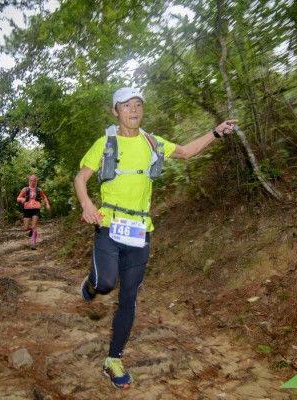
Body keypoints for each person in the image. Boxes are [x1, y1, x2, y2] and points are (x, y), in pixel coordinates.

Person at [73, 87, 238, 389]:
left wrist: (215, 133)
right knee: (106, 283)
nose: (133, 110)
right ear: (115, 111)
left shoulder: (152, 143)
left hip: (139, 231)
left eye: (138, 104)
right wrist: (87, 205)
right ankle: (93, 284)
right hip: (109, 225)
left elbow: (186, 152)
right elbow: (81, 177)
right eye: (126, 105)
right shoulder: (106, 143)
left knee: (129, 297)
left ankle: (113, 360)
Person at [16, 175, 50, 247]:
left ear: (36, 181)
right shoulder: (25, 189)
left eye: (34, 180)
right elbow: (18, 198)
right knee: (25, 228)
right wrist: (22, 199)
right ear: (29, 181)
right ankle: (31, 229)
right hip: (27, 209)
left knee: (34, 227)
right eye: (31, 180)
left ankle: (34, 243)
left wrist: (47, 205)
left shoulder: (39, 190)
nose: (32, 182)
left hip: (36, 209)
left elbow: (44, 197)